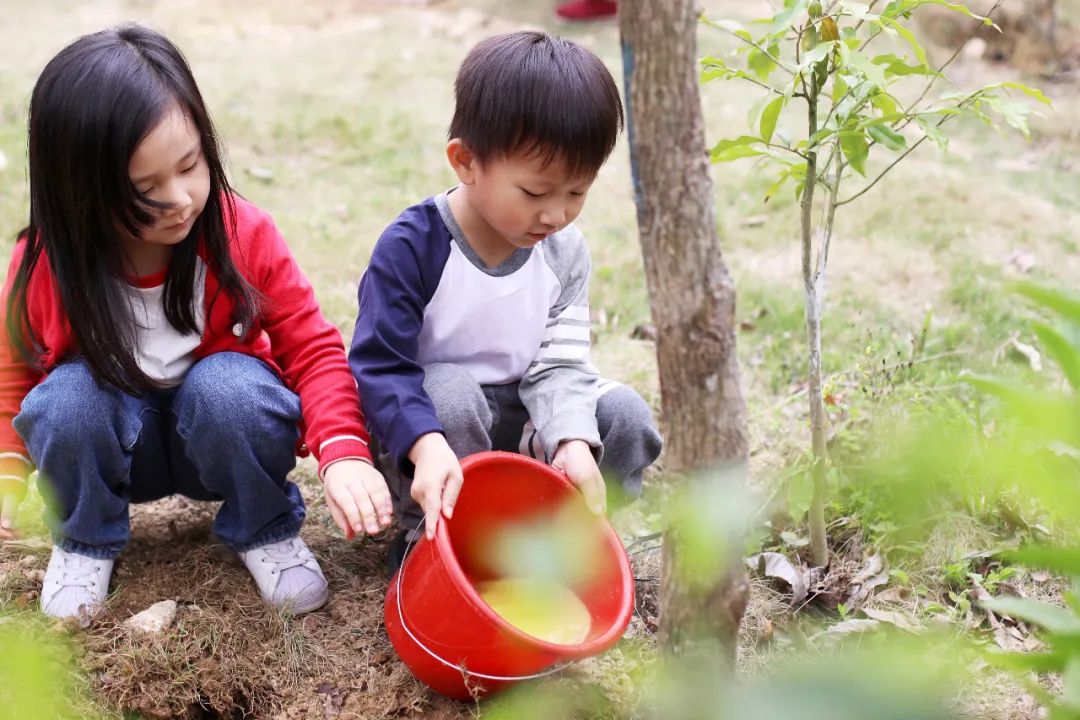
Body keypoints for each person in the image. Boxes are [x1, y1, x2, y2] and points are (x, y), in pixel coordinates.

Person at [0, 24, 393, 623]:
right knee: (66, 399)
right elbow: (14, 376)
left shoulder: (241, 234)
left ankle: (262, 524)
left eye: (190, 165)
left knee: (231, 386)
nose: (181, 198)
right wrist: (8, 472)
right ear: (81, 191)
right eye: (146, 188)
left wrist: (343, 452)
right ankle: (85, 538)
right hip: (115, 453)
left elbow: (312, 349)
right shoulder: (46, 265)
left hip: (218, 440)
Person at [349, 31, 662, 575]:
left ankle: (565, 534)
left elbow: (560, 365)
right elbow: (382, 367)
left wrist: (570, 437)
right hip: (434, 430)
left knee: (624, 415)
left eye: (577, 193)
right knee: (451, 393)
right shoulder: (412, 247)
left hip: (523, 411)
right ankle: (439, 536)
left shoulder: (563, 251)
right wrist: (424, 443)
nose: (556, 215)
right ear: (466, 161)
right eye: (536, 193)